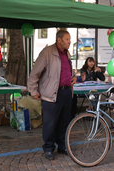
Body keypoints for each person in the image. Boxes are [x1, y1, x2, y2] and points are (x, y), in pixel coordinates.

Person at [27, 30, 77, 160]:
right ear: (59, 40)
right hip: (51, 93)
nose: (69, 42)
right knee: (50, 123)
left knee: (64, 122)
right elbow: (35, 73)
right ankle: (48, 148)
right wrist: (33, 91)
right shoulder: (47, 52)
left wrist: (74, 77)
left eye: (69, 39)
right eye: (67, 39)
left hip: (66, 92)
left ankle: (62, 146)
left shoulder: (67, 53)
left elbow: (68, 70)